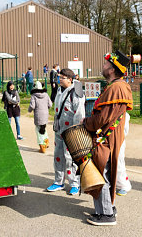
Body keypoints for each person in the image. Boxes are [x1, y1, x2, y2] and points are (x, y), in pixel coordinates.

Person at [82, 51, 133, 226]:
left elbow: (104, 118)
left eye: (105, 65)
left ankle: (106, 214)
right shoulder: (116, 86)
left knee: (100, 172)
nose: (103, 67)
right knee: (105, 171)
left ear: (111, 69)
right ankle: (106, 208)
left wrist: (87, 122)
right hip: (107, 136)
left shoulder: (117, 87)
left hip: (106, 137)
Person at [46, 68, 85, 196]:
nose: (59, 80)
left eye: (62, 78)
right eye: (59, 77)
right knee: (58, 156)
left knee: (71, 158)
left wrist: (75, 131)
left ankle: (75, 183)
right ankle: (59, 181)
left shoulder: (76, 91)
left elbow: (79, 113)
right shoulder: (59, 89)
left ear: (70, 79)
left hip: (71, 131)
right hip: (59, 129)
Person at [28, 81, 52, 153]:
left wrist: (29, 110)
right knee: (43, 128)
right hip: (45, 114)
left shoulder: (34, 96)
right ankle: (46, 141)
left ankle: (42, 147)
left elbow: (32, 106)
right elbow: (50, 105)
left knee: (38, 130)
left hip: (38, 114)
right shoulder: (46, 94)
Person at [116, 112, 132, 196]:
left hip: (119, 141)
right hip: (107, 141)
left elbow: (124, 132)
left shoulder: (125, 115)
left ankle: (123, 185)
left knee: (119, 163)